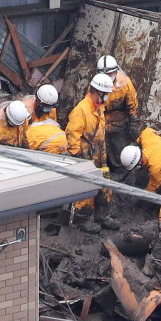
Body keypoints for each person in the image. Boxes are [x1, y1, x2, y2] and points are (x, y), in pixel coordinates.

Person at [65, 73, 120, 233]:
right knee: (85, 191)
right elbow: (72, 135)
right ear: (97, 92)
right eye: (106, 94)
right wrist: (76, 158)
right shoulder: (81, 110)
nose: (108, 97)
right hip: (85, 157)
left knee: (105, 186)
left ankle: (102, 216)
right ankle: (82, 220)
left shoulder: (99, 108)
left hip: (100, 157)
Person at [97, 55, 140, 172]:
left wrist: (133, 125)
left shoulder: (125, 83)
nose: (108, 77)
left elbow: (133, 105)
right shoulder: (96, 84)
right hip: (102, 124)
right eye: (105, 75)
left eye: (111, 74)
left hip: (119, 125)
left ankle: (121, 173)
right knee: (103, 153)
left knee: (120, 152)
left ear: (116, 71)